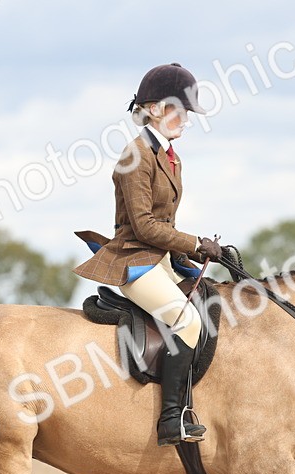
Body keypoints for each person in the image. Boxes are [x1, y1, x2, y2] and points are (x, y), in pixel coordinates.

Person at [73, 63, 223, 446]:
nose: (186, 121)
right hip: (136, 261)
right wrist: (194, 244)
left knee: (214, 301)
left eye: (188, 113)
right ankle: (171, 418)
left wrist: (192, 256)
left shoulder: (169, 156)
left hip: (163, 260)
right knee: (188, 321)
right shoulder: (135, 156)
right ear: (154, 109)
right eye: (179, 111)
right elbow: (144, 226)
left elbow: (165, 220)